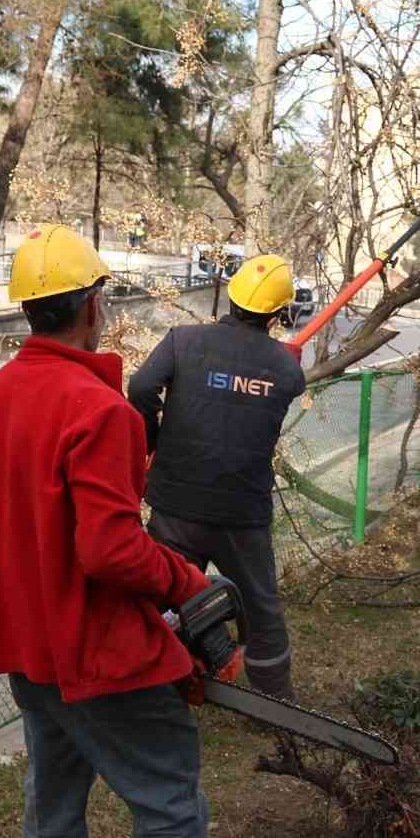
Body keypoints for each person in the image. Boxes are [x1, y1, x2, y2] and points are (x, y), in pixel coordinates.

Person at [0, 223, 227, 838]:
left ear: (28, 308)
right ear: (93, 304)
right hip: (93, 649)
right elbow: (110, 550)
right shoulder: (99, 410)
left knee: (51, 809)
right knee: (168, 799)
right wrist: (189, 583)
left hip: (28, 645)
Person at [128, 255, 306, 702]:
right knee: (261, 611)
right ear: (280, 313)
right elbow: (287, 387)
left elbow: (141, 388)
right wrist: (280, 361)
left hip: (176, 506)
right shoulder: (285, 368)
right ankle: (277, 702)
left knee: (158, 602)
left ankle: (142, 691)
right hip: (240, 516)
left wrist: (151, 438)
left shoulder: (182, 341)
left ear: (233, 294)